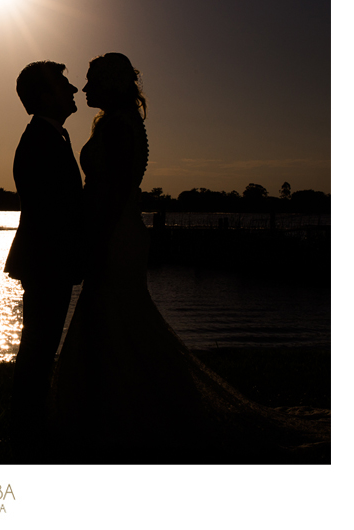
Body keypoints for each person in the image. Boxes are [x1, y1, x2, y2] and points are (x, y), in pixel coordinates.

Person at [48, 52, 329, 464]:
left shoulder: (119, 127)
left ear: (112, 83)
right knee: (116, 321)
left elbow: (114, 194)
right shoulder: (121, 123)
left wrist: (94, 242)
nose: (85, 88)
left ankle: (120, 413)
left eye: (92, 80)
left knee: (112, 316)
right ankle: (112, 407)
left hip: (115, 235)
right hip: (118, 233)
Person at [3, 60, 84, 461]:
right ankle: (27, 429)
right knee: (38, 343)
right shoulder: (39, 140)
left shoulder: (55, 136)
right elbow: (53, 209)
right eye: (63, 85)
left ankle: (30, 421)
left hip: (48, 258)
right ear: (43, 95)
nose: (72, 90)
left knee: (41, 342)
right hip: (46, 259)